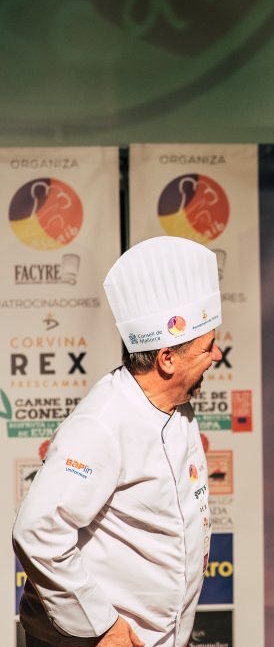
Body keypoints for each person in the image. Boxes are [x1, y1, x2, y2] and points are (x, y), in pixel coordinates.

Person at [14, 236, 223, 647]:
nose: (217, 356)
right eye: (207, 347)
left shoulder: (177, 408)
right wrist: (102, 623)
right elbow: (37, 531)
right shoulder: (104, 422)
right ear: (167, 359)